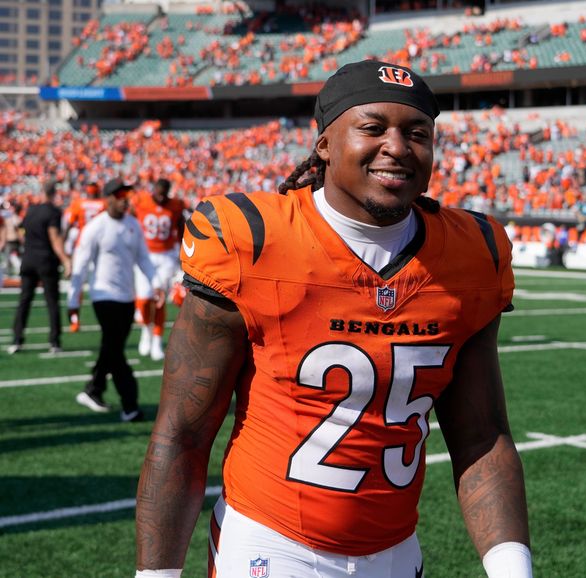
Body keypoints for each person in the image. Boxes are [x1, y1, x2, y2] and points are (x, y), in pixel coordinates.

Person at [136, 60, 531, 578]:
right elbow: (183, 432)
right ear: (324, 143)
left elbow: (481, 435)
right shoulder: (253, 238)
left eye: (417, 133)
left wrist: (513, 569)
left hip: (397, 550)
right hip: (271, 540)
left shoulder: (472, 252)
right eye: (373, 127)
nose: (397, 146)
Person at [68, 178, 165, 422]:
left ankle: (93, 389)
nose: (125, 201)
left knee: (111, 347)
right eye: (121, 196)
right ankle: (130, 405)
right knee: (116, 351)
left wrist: (155, 283)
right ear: (109, 198)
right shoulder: (96, 227)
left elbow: (143, 258)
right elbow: (80, 265)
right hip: (103, 296)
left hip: (126, 297)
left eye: (127, 196)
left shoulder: (133, 224)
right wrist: (73, 301)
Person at [8, 180, 71, 354]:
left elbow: (21, 231)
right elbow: (54, 238)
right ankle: (54, 341)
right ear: (54, 193)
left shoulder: (31, 210)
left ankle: (17, 339)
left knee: (24, 300)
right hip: (46, 261)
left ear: (41, 192)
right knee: (52, 302)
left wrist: (30, 245)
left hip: (28, 259)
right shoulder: (53, 212)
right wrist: (65, 259)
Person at [130, 178, 185, 361]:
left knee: (159, 299)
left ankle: (157, 338)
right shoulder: (141, 201)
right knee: (144, 299)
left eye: (164, 195)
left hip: (166, 256)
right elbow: (130, 219)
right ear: (153, 190)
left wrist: (183, 253)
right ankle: (146, 330)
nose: (161, 198)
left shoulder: (175, 205)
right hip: (145, 255)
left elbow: (181, 228)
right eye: (158, 194)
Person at [63, 181, 106, 331]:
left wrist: (63, 243)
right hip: (100, 246)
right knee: (100, 281)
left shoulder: (78, 203)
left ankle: (74, 318)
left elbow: (69, 224)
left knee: (76, 281)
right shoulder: (104, 204)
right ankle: (104, 316)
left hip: (82, 244)